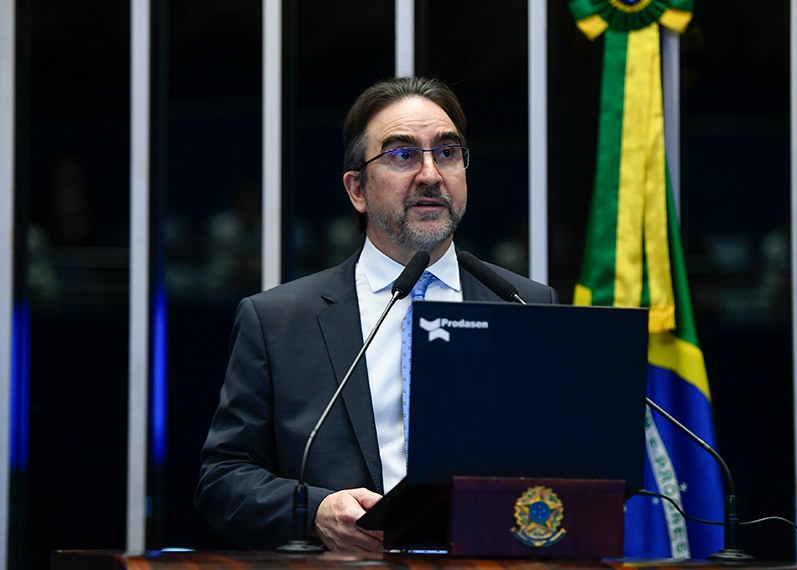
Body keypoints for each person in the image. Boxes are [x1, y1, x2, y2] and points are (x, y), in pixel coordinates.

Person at [195, 76, 559, 552]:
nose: (430, 174)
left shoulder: (527, 306)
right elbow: (222, 481)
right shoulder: (279, 321)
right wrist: (314, 511)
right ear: (357, 190)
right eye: (402, 155)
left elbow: (561, 468)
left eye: (447, 153)